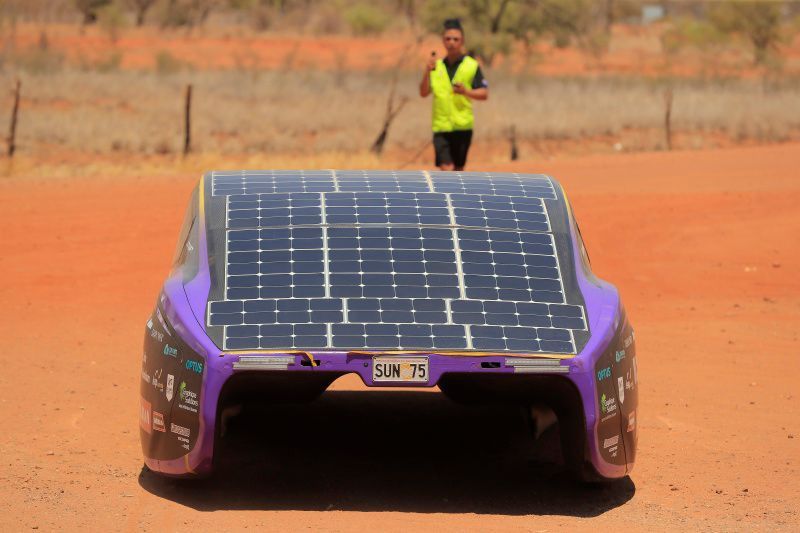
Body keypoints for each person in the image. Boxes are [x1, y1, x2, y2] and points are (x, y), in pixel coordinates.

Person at [419, 18, 488, 171]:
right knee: (446, 168)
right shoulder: (436, 67)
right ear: (443, 41)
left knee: (458, 171)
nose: (451, 42)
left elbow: (484, 93)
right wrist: (426, 72)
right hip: (441, 126)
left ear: (462, 41)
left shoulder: (471, 65)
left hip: (462, 126)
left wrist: (466, 92)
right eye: (448, 38)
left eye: (455, 39)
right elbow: (423, 93)